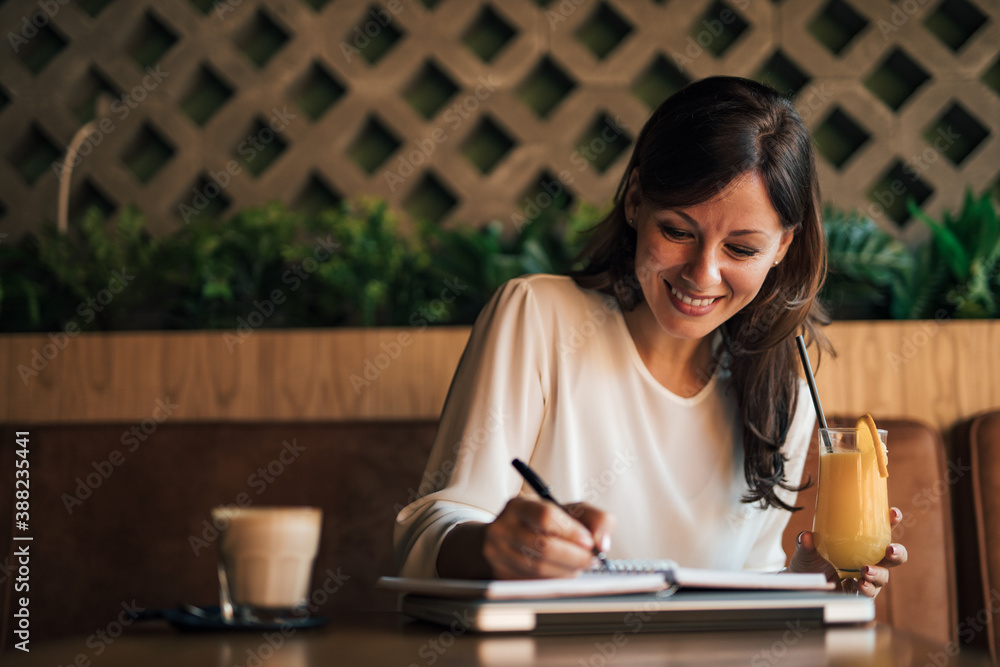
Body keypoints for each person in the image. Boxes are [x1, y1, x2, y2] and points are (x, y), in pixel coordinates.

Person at [394, 76, 906, 598]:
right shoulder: (538, 316)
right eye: (678, 232)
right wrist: (489, 547)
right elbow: (428, 531)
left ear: (782, 248)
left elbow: (744, 594)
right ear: (636, 201)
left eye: (742, 250)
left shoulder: (785, 399)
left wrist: (801, 582)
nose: (702, 275)